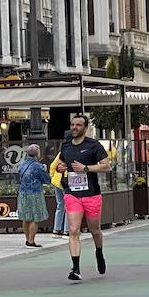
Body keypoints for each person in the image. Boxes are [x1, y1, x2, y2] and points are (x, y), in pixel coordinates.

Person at [52, 114, 111, 282]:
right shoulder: (66, 146)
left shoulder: (93, 145)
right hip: (72, 193)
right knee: (73, 230)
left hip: (91, 194)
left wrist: (85, 168)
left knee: (94, 230)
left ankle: (99, 252)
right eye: (72, 125)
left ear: (85, 128)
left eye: (78, 125)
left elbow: (106, 166)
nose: (74, 128)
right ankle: (76, 268)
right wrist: (60, 167)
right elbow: (61, 165)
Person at [15, 144, 50, 247]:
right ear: (37, 153)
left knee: (26, 217)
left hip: (22, 193)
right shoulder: (38, 166)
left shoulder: (22, 165)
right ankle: (31, 240)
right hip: (35, 193)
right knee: (35, 217)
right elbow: (46, 180)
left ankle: (27, 239)